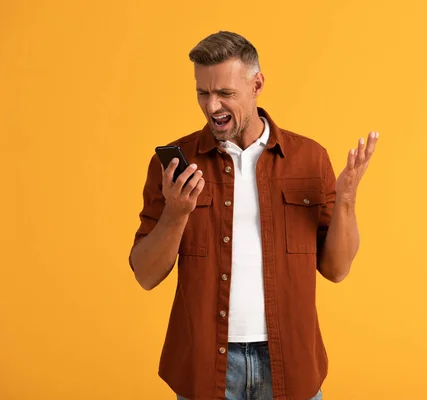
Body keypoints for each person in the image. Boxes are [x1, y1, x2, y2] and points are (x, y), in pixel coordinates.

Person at [128, 31, 379, 400]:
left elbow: (337, 269)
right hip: (204, 366)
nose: (212, 106)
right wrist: (177, 213)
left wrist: (345, 202)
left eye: (225, 93)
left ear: (257, 84)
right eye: (203, 93)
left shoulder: (309, 159)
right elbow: (146, 275)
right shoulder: (175, 165)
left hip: (290, 364)